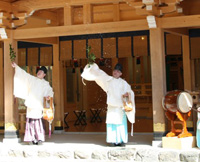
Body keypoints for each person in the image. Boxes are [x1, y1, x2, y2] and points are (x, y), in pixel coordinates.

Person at [81, 62, 135, 146]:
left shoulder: (123, 83)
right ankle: (112, 140)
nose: (115, 72)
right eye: (114, 70)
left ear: (120, 73)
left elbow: (130, 91)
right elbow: (99, 74)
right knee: (112, 123)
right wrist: (91, 66)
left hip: (120, 107)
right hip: (111, 106)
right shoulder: (108, 80)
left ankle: (121, 140)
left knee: (120, 123)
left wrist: (128, 94)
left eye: (117, 71)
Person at [12, 63, 54, 145]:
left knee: (37, 121)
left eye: (41, 72)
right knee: (31, 121)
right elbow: (24, 75)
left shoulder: (45, 84)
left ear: (44, 74)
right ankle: (31, 138)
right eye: (39, 71)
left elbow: (50, 92)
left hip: (38, 105)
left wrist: (48, 96)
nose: (39, 72)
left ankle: (39, 138)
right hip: (31, 104)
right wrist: (16, 67)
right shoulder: (32, 79)